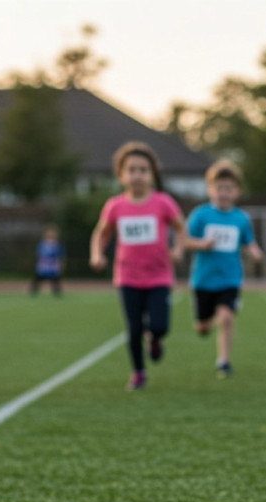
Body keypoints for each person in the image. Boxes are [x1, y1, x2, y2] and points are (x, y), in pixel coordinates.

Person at [89, 141, 187, 391]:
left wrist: (178, 249)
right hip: (127, 277)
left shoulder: (163, 203)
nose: (137, 175)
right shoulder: (115, 206)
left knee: (160, 325)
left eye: (143, 170)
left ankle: (155, 340)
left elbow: (180, 227)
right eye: (131, 170)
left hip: (159, 277)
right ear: (121, 175)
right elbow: (101, 233)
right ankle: (138, 373)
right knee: (133, 328)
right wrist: (97, 253)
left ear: (152, 174)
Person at [186, 159, 264, 378]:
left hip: (230, 279)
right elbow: (185, 240)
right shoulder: (201, 215)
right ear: (210, 189)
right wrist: (201, 244)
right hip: (203, 280)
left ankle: (223, 361)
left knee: (227, 317)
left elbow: (249, 240)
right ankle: (204, 322)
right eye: (219, 188)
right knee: (202, 327)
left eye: (228, 188)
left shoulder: (241, 218)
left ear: (237, 191)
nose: (223, 192)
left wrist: (255, 251)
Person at [30, 223, 65, 297]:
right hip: (44, 265)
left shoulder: (57, 245)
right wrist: (39, 264)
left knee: (55, 280)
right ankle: (33, 291)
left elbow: (60, 256)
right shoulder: (42, 244)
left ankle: (57, 292)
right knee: (38, 279)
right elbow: (39, 255)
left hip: (53, 266)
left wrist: (61, 265)